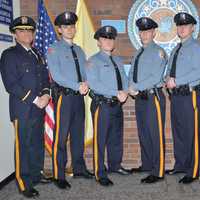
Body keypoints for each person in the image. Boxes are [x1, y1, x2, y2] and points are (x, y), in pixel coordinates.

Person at [0, 16, 51, 198]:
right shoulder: (9, 55)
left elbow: (45, 78)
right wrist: (35, 99)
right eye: (22, 30)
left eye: (29, 30)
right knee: (23, 145)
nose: (26, 34)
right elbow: (11, 84)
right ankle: (24, 182)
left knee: (37, 143)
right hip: (23, 109)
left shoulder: (37, 53)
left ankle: (36, 175)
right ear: (15, 34)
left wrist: (46, 94)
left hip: (39, 108)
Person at [47, 11, 93, 190]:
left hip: (78, 98)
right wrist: (77, 86)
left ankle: (79, 168)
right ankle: (59, 174)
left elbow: (85, 73)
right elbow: (57, 76)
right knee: (61, 136)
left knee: (78, 134)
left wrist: (87, 82)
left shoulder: (79, 50)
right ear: (59, 29)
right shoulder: (53, 49)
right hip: (64, 97)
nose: (70, 29)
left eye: (72, 26)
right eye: (66, 26)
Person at [86, 25, 133, 187]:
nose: (108, 41)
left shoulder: (118, 61)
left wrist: (126, 90)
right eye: (104, 38)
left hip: (116, 106)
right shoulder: (93, 61)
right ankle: (100, 172)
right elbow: (94, 84)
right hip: (102, 105)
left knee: (116, 137)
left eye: (111, 38)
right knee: (101, 139)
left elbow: (125, 80)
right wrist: (115, 92)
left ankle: (115, 165)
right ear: (98, 42)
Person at [128, 17, 167, 183]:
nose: (144, 34)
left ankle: (158, 171)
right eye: (142, 31)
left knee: (155, 134)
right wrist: (131, 86)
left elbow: (155, 76)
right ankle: (147, 164)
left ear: (154, 33)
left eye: (147, 31)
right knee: (143, 132)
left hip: (153, 97)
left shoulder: (159, 52)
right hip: (140, 99)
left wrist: (135, 87)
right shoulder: (138, 52)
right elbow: (131, 74)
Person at [165, 12, 200, 184]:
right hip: (177, 97)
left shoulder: (196, 47)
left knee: (192, 133)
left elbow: (198, 72)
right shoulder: (176, 49)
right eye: (179, 25)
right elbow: (169, 71)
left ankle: (193, 170)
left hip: (189, 96)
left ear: (193, 28)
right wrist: (167, 79)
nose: (182, 28)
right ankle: (181, 165)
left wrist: (177, 81)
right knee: (178, 132)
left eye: (185, 25)